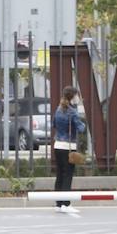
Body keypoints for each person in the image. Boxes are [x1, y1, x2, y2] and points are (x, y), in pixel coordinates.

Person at [51, 86, 86, 214]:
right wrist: (82, 121)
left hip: (57, 145)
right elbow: (81, 128)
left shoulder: (58, 109)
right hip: (68, 147)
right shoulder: (72, 112)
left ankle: (58, 203)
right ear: (72, 97)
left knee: (60, 174)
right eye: (77, 96)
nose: (78, 98)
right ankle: (66, 203)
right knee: (67, 175)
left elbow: (54, 124)